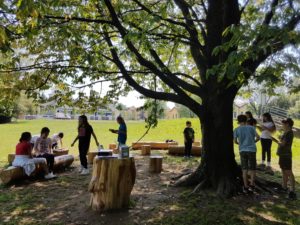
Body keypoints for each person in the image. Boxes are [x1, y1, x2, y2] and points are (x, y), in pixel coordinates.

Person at [234, 115, 260, 193]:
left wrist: (240, 144)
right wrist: (253, 142)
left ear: (238, 121)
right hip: (252, 150)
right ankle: (252, 185)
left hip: (242, 150)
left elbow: (235, 141)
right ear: (246, 120)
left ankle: (245, 186)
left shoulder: (236, 130)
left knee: (244, 169)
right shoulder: (252, 128)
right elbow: (258, 137)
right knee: (252, 169)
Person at [272, 118, 296, 199]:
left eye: (283, 123)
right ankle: (284, 187)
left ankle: (292, 191)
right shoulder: (286, 132)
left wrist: (273, 139)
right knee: (283, 172)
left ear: (287, 124)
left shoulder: (289, 133)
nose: (282, 125)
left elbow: (282, 144)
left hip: (286, 155)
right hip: (282, 155)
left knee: (289, 172)